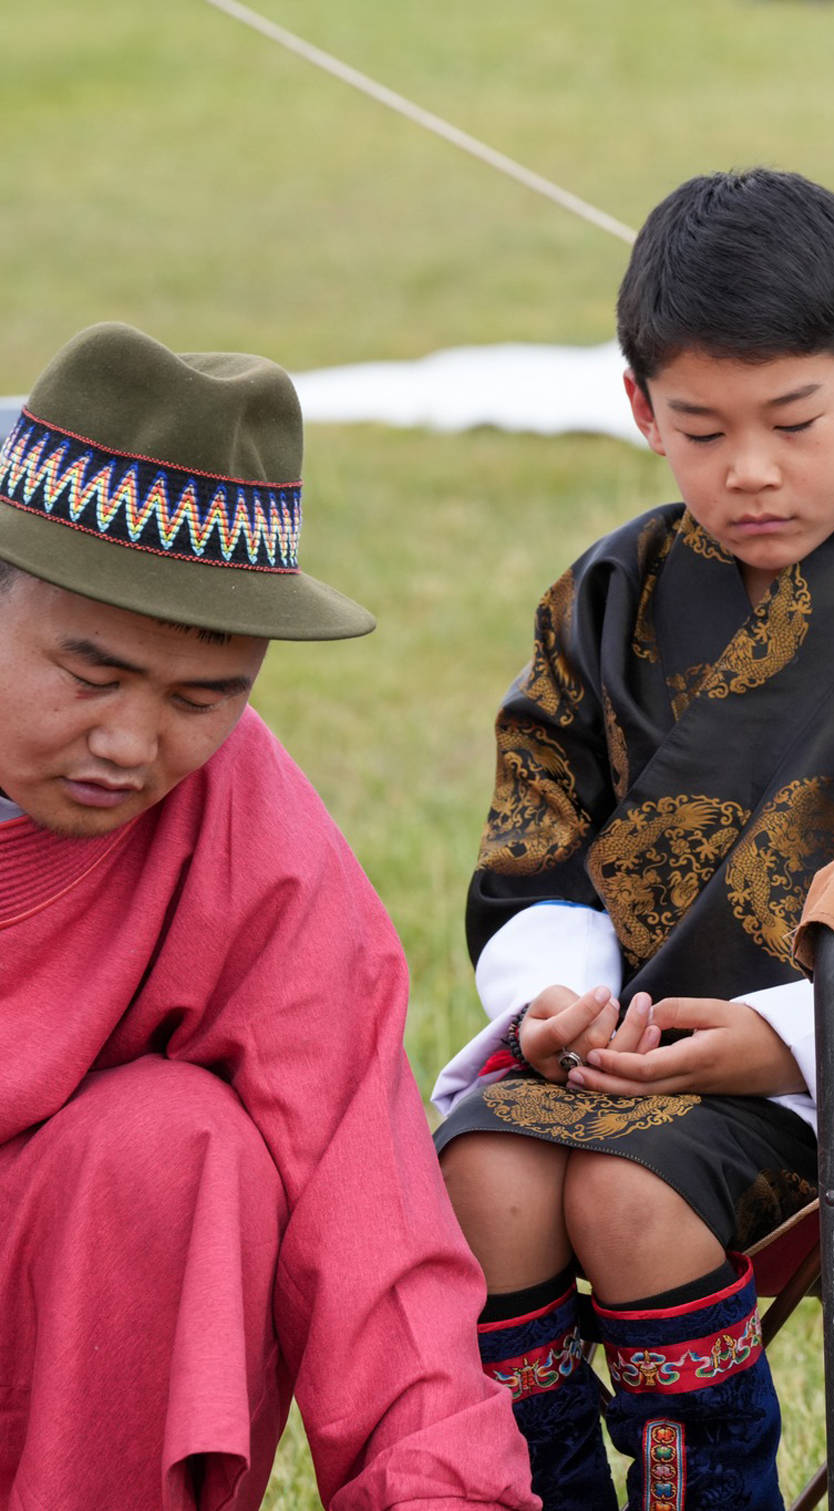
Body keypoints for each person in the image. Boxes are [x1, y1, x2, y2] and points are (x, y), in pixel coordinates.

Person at [429, 168, 834, 1511]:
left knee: (629, 1201)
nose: (751, 470)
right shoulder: (606, 596)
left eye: (794, 419)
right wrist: (553, 1000)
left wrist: (786, 1037)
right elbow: (542, 843)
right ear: (641, 408)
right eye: (700, 428)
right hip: (623, 1051)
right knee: (487, 1166)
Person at [0, 323, 537, 1510]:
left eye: (202, 696)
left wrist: (440, 1486)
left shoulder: (237, 810)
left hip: (48, 1319)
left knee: (180, 1145)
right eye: (91, 675)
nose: (133, 744)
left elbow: (360, 1180)